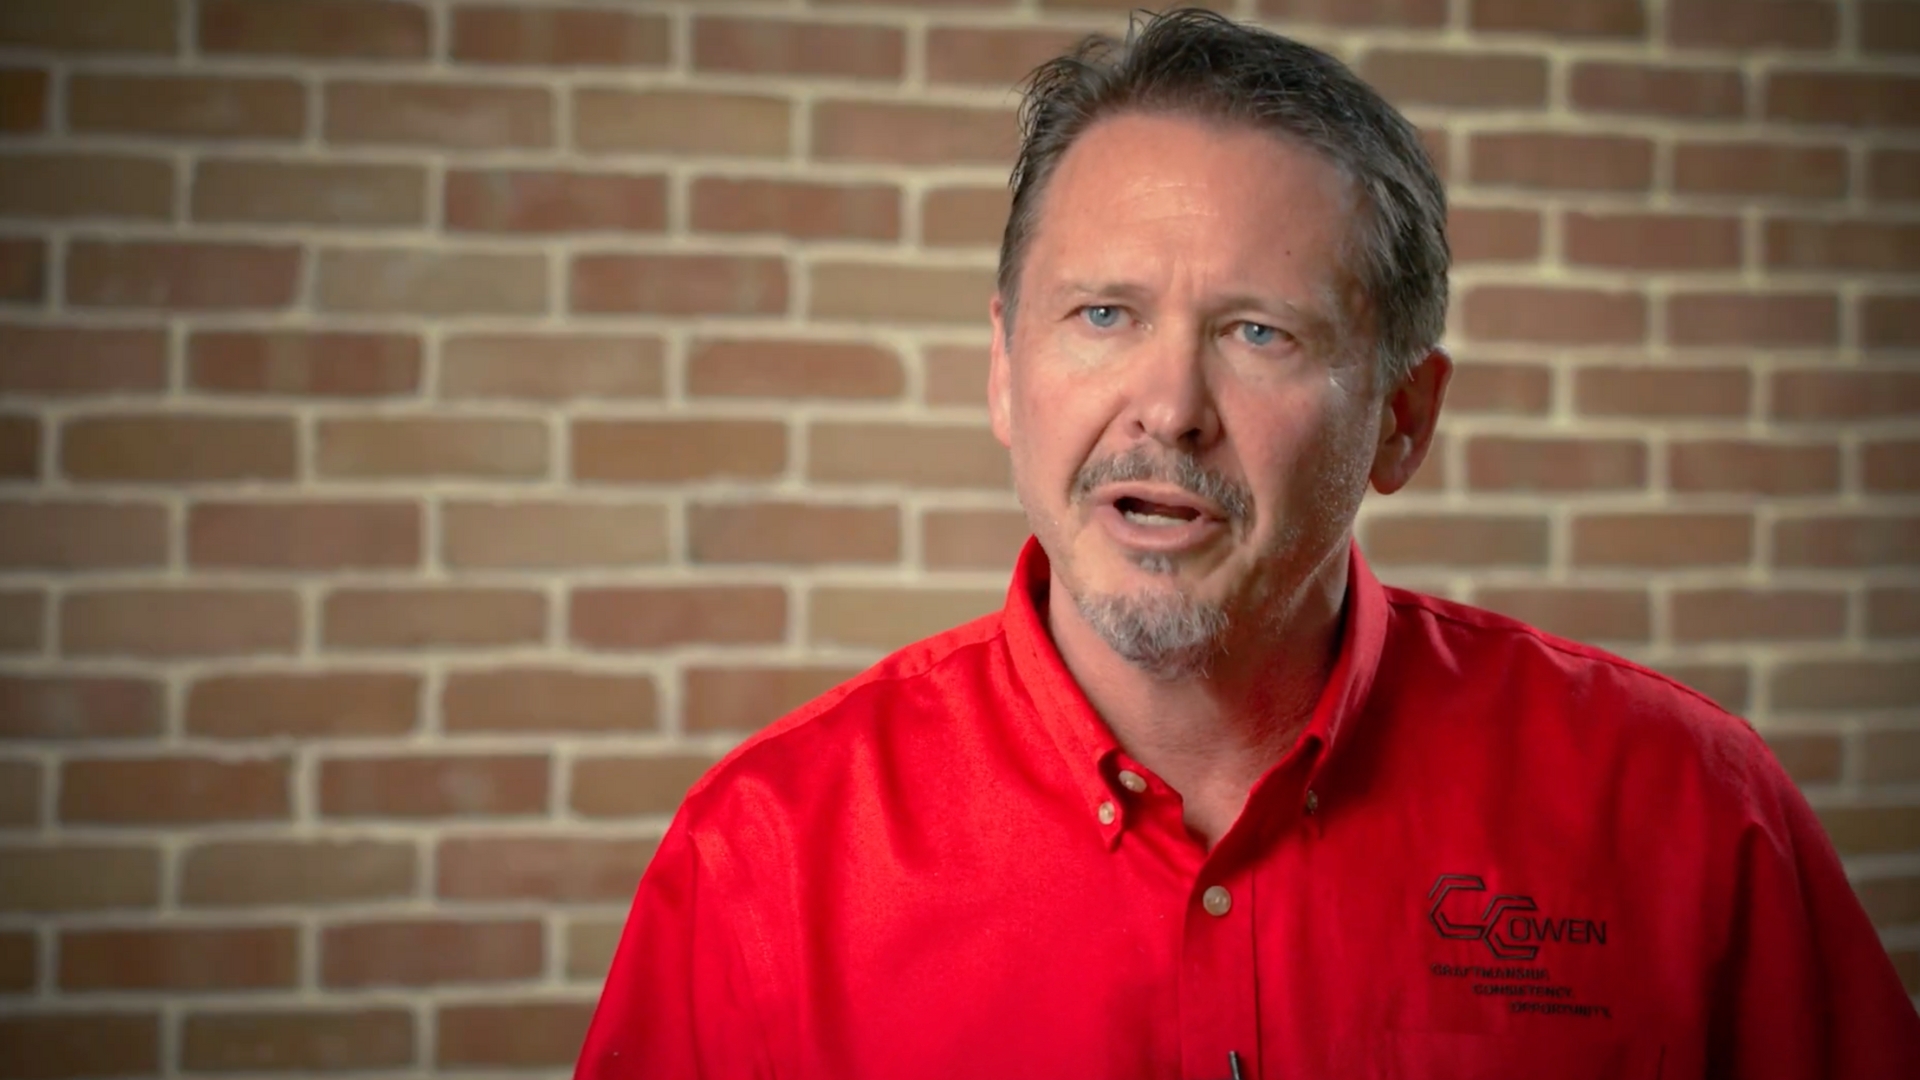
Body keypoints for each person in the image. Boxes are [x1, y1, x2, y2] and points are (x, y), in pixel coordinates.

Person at [575, 9, 1920, 1077]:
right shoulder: (759, 866)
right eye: (1102, 313)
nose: (1168, 407)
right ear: (1001, 371)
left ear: (1403, 418)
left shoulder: (1692, 817)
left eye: (1259, 332)